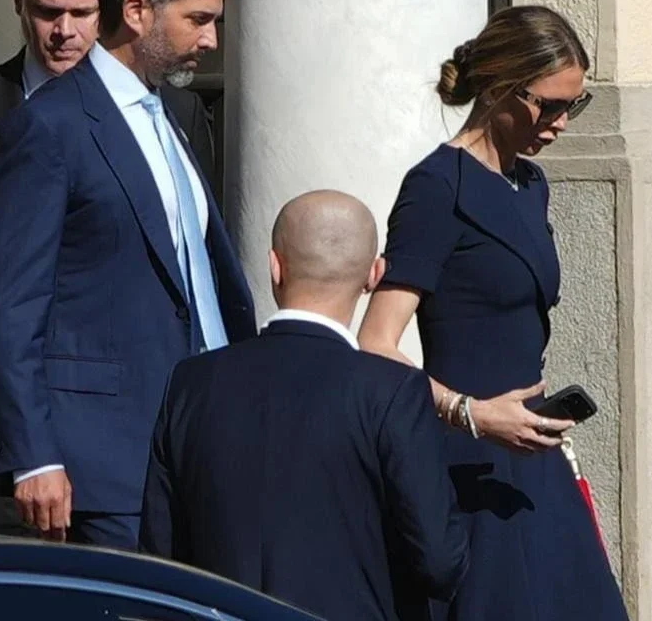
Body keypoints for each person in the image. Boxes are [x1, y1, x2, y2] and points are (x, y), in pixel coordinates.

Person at [0, 0, 255, 550]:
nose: (211, 39)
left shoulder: (173, 116)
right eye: (198, 19)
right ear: (137, 11)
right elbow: (6, 305)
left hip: (194, 447)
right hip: (101, 467)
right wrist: (34, 455)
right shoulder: (50, 126)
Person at [357, 6, 629, 620]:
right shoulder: (437, 187)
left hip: (534, 455)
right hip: (467, 466)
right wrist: (472, 414)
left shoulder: (530, 185)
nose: (561, 124)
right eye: (548, 106)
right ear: (499, 87)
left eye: (574, 106)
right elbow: (375, 344)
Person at [141, 190, 469, 620]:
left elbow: (159, 560)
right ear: (374, 275)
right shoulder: (393, 391)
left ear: (274, 266)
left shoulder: (189, 385)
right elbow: (440, 561)